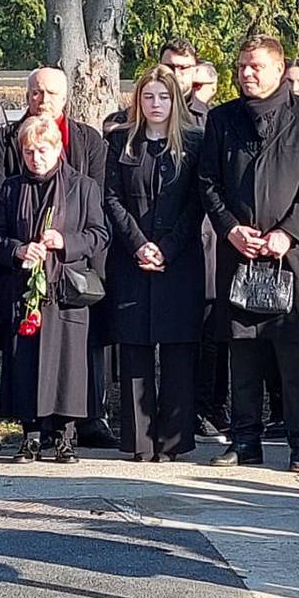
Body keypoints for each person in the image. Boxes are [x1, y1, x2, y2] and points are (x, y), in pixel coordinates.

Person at [201, 35, 299, 473]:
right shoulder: (223, 119)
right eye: (241, 66)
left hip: (289, 258)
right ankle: (244, 440)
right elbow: (209, 182)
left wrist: (288, 233)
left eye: (255, 66)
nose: (246, 74)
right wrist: (230, 228)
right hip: (240, 252)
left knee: (295, 356)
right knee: (243, 355)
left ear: (279, 70)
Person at [0, 114, 110, 462]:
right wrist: (17, 249)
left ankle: (65, 435)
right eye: (29, 152)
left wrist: (65, 241)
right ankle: (30, 434)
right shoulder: (11, 188)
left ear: (58, 149)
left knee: (67, 365)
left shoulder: (82, 186)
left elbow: (100, 234)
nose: (35, 158)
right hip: (24, 291)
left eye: (43, 150)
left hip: (66, 291)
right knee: (24, 362)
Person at [103, 67, 205, 461]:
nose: (156, 104)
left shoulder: (193, 143)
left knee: (178, 350)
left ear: (175, 101)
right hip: (133, 260)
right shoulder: (121, 142)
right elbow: (111, 198)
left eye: (164, 97)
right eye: (149, 97)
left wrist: (167, 247)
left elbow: (198, 202)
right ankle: (139, 442)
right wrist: (139, 245)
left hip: (179, 262)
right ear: (138, 101)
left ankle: (173, 441)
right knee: (136, 349)